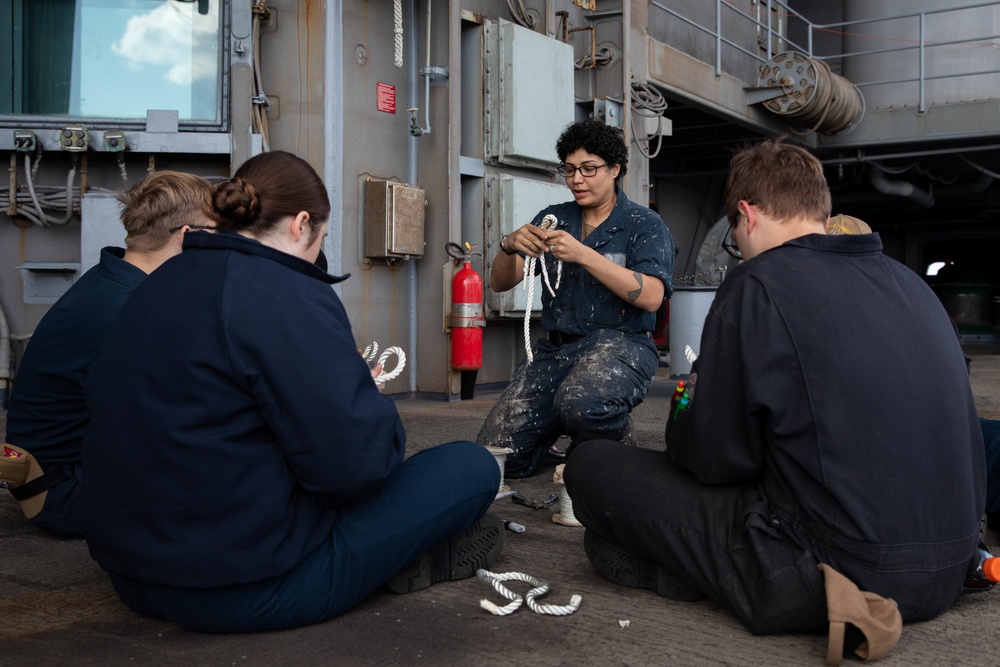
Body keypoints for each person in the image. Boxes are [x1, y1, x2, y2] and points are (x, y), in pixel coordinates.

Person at [564, 138, 985, 640]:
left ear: (747, 213)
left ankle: (707, 573)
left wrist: (685, 393)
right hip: (955, 561)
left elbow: (713, 459)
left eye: (736, 235)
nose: (740, 247)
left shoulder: (758, 282)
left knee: (593, 465)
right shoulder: (910, 284)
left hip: (843, 569)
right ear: (820, 210)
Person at [81, 150, 502, 633]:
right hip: (247, 586)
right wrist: (361, 397)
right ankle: (401, 555)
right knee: (470, 467)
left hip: (130, 575)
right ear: (301, 224)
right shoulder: (287, 290)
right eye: (320, 238)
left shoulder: (155, 284)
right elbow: (356, 470)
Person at [1, 171, 218, 536]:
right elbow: (176, 418)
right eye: (219, 235)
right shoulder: (126, 311)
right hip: (66, 491)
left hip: (71, 472)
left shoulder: (115, 280)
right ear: (190, 237)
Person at [477, 118, 674, 478]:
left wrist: (585, 255)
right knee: (498, 456)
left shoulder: (643, 224)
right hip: (558, 351)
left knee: (582, 403)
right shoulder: (553, 220)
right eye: (569, 170)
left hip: (623, 346)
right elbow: (499, 282)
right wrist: (508, 245)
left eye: (588, 169)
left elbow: (652, 298)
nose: (577, 180)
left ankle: (607, 442)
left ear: (614, 169)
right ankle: (572, 439)